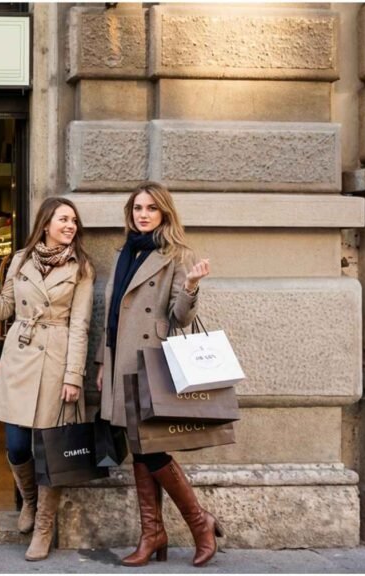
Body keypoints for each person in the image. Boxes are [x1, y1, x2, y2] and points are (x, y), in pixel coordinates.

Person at [0, 197, 94, 561]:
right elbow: (4, 309)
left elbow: (80, 326)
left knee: (49, 450)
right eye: (64, 219)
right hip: (20, 355)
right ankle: (29, 501)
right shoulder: (20, 260)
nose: (70, 226)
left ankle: (44, 527)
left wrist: (74, 376)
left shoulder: (82, 268)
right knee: (17, 444)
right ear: (45, 222)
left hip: (57, 358)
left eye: (74, 221)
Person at [94, 181, 219, 568]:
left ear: (164, 212)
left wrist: (192, 285)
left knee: (151, 447)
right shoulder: (124, 252)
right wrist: (103, 363)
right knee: (140, 446)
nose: (142, 214)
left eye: (150, 208)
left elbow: (181, 317)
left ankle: (199, 524)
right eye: (137, 208)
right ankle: (154, 533)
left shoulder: (175, 255)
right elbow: (112, 315)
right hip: (120, 362)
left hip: (149, 362)